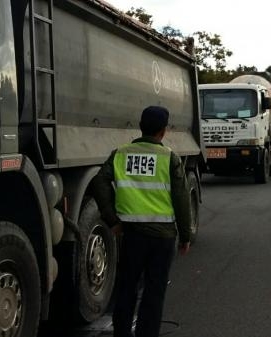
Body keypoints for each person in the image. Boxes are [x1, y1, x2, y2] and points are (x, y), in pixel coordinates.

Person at [92, 105, 192, 337]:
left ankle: (122, 333)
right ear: (163, 131)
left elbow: (99, 183)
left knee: (126, 288)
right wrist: (185, 236)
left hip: (131, 234)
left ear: (140, 127)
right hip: (163, 238)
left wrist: (112, 220)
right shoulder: (170, 158)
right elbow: (182, 200)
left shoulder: (120, 154)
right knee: (154, 292)